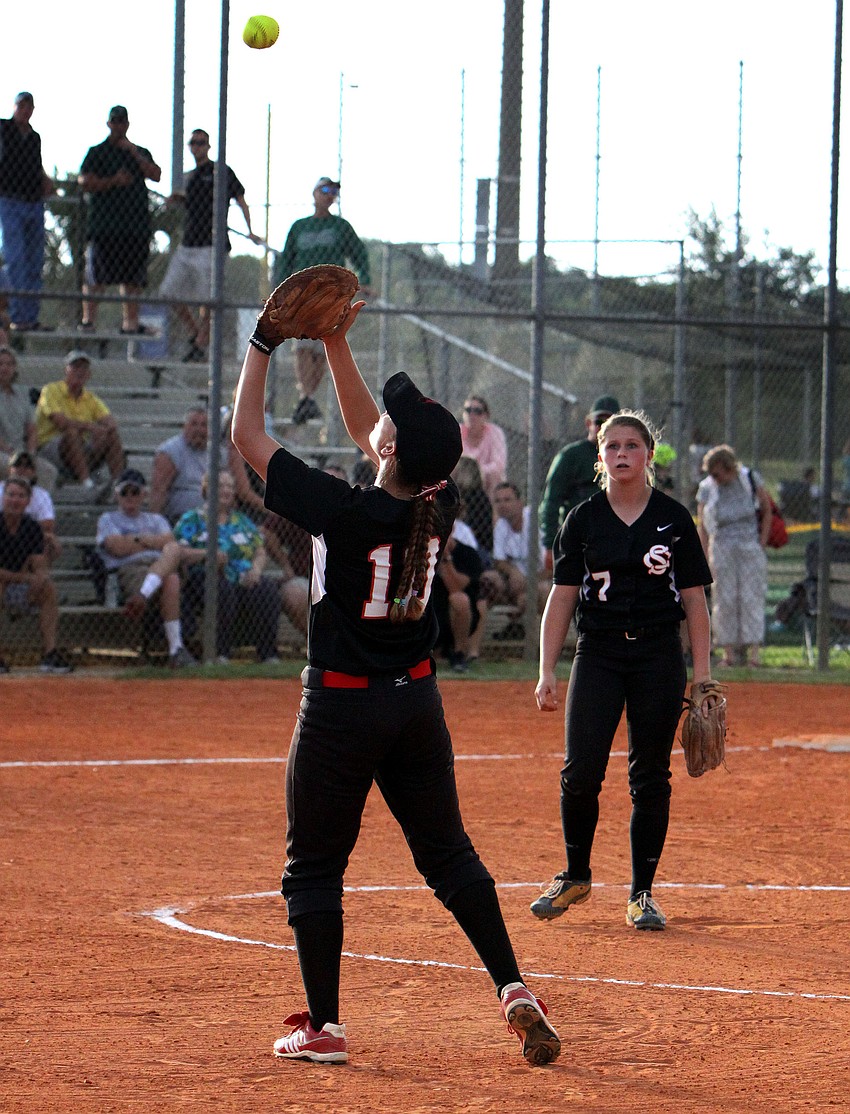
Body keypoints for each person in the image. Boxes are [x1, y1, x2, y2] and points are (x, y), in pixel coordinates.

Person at [229, 297, 561, 1067]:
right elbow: (374, 434)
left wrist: (262, 344)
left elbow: (247, 436)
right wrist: (338, 344)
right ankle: (513, 987)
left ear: (390, 451)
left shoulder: (342, 513)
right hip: (415, 702)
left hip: (341, 706)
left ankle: (326, 1028)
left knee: (313, 865)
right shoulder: (438, 505)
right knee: (448, 854)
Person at [531, 410, 715, 931]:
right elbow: (562, 597)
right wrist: (547, 669)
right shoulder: (583, 519)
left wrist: (701, 675)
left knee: (650, 775)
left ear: (648, 455)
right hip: (599, 653)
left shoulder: (674, 518)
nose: (621, 454)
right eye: (612, 446)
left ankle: (642, 893)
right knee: (580, 770)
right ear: (600, 456)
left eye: (632, 445)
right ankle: (575, 874)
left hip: (658, 655)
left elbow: (696, 602)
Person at [271, 177, 372, 424]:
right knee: (303, 348)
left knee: (321, 350)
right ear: (314, 193)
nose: (330, 195)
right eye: (325, 189)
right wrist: (280, 291)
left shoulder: (340, 226)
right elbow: (286, 260)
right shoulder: (300, 227)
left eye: (334, 191)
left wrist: (366, 278)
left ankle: (307, 399)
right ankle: (307, 398)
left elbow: (359, 253)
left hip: (331, 295)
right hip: (303, 296)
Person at [160, 129, 262, 363]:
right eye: (193, 143)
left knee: (208, 298)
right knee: (167, 292)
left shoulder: (221, 171)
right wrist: (177, 198)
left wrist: (249, 230)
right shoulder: (190, 176)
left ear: (208, 146)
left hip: (212, 245)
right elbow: (192, 203)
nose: (197, 147)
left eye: (201, 143)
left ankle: (200, 344)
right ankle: (196, 333)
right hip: (189, 244)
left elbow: (240, 199)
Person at [174, 470, 280, 663]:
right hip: (203, 577)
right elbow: (179, 553)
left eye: (230, 486)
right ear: (207, 489)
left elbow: (260, 550)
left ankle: (268, 654)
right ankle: (219, 653)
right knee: (222, 589)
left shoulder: (241, 521)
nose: (226, 491)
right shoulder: (192, 519)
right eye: (221, 485)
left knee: (267, 589)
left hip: (241, 576)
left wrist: (255, 570)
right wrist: (207, 556)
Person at [95, 468, 196, 668]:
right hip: (130, 569)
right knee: (171, 576)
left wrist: (135, 540)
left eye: (135, 492)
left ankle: (143, 595)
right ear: (117, 495)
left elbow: (169, 542)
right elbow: (117, 548)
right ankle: (176, 648)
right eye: (125, 492)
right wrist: (151, 541)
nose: (130, 497)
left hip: (160, 565)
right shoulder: (108, 519)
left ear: (144, 494)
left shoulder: (156, 519)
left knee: (173, 558)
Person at [77, 105, 161, 334]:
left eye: (122, 122)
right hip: (105, 226)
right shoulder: (97, 152)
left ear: (128, 124)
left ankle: (130, 323)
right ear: (108, 124)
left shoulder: (138, 151)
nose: (118, 126)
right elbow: (84, 181)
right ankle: (88, 321)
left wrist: (133, 152)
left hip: (134, 227)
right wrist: (113, 181)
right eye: (115, 122)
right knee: (97, 277)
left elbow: (156, 174)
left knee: (132, 279)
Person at [696, 444, 771, 668]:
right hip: (721, 546)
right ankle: (729, 653)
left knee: (751, 597)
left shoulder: (749, 478)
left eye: (718, 473)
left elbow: (767, 510)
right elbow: (703, 525)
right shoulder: (707, 488)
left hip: (749, 544)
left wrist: (762, 543)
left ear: (729, 468)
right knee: (724, 598)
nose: (715, 478)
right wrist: (705, 554)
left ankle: (753, 655)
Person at [0, 475, 73, 674]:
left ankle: (50, 655)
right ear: (3, 497)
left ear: (28, 501)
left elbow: (39, 564)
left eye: (20, 496)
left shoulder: (31, 527)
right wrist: (25, 578)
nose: (15, 500)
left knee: (48, 589)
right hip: (5, 584)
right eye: (11, 494)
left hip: (18, 585)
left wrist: (40, 579)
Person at [538, 394, 620, 556]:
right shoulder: (571, 455)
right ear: (588, 423)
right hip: (578, 536)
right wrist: (549, 544)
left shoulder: (625, 456)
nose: (604, 427)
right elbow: (551, 501)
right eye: (599, 422)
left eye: (611, 422)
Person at [0, 92, 54, 332]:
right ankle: (19, 316)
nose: (25, 110)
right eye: (21, 106)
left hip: (33, 202)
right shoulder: (3, 129)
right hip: (10, 199)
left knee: (34, 261)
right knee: (16, 259)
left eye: (28, 106)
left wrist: (45, 181)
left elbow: (36, 164)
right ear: (14, 107)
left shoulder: (34, 137)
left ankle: (31, 316)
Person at [34, 350, 125, 491]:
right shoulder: (51, 390)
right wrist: (91, 427)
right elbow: (61, 422)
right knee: (71, 433)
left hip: (82, 449)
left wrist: (103, 431)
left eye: (84, 368)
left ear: (89, 374)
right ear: (66, 370)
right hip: (51, 450)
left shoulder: (90, 398)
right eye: (75, 367)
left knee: (111, 435)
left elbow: (111, 422)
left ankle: (119, 484)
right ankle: (86, 483)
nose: (80, 371)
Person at [479, 481, 548, 640]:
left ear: (520, 502)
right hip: (514, 585)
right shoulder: (501, 525)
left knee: (536, 593)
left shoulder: (535, 521)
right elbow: (499, 560)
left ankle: (541, 642)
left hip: (541, 580)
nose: (502, 505)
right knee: (489, 578)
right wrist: (513, 571)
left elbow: (551, 565)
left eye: (507, 500)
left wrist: (528, 582)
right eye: (498, 501)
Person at [148, 405, 224, 524]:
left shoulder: (219, 452)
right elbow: (159, 490)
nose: (199, 429)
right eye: (194, 424)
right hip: (181, 518)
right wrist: (155, 524)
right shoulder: (170, 451)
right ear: (184, 427)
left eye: (204, 425)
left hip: (217, 516)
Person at [0, 344, 57, 491]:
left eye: (9, 364)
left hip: (21, 452)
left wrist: (30, 454)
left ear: (15, 368)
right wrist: (11, 452)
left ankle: (35, 508)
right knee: (16, 468)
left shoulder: (23, 394)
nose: (5, 368)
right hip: (3, 452)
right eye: (1, 363)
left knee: (49, 471)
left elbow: (31, 428)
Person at [0, 450, 60, 563]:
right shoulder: (0, 490)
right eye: (17, 464)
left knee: (49, 539)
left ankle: (39, 574)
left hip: (27, 538)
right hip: (3, 535)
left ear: (33, 472)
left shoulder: (42, 494)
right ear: (9, 470)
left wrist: (24, 528)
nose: (22, 469)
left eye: (27, 466)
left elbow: (48, 524)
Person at [459, 395, 507, 500]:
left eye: (477, 411)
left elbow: (498, 465)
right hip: (462, 479)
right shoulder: (457, 432)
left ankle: (493, 512)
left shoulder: (495, 432)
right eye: (468, 410)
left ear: (486, 415)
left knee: (495, 475)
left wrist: (479, 471)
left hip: (487, 480)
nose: (472, 414)